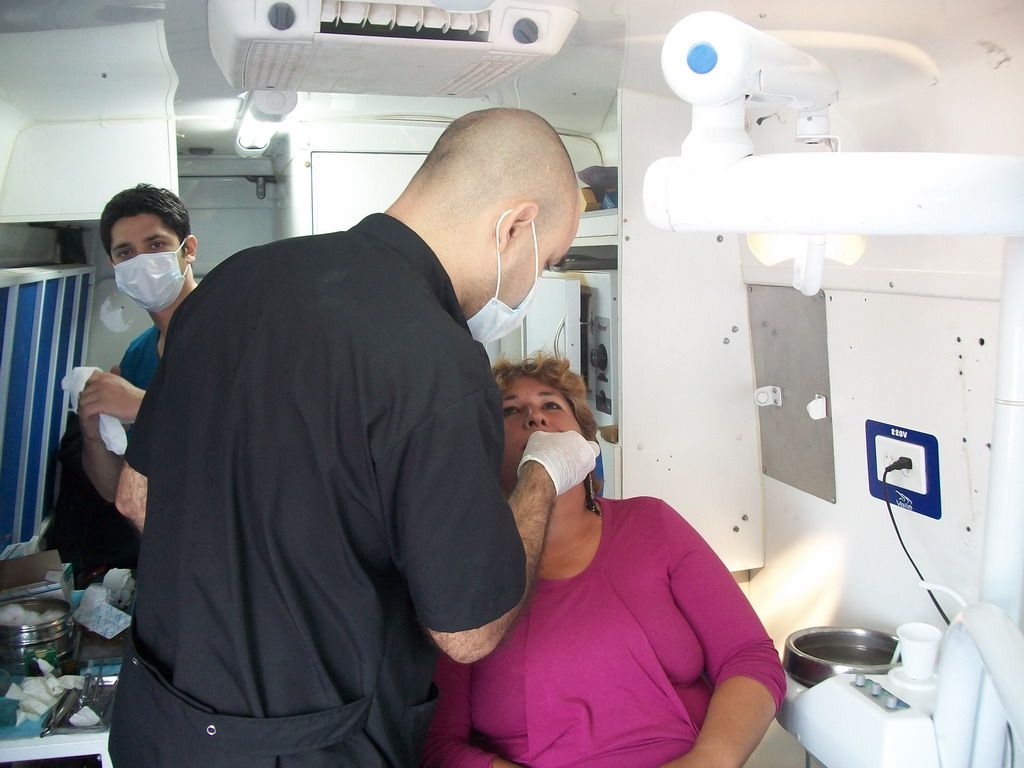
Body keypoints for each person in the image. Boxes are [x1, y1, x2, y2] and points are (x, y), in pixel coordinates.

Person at [108, 108, 598, 767]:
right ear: (515, 227)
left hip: (160, 725)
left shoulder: (232, 282)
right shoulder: (439, 362)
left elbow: (137, 497)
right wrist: (541, 474)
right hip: (305, 747)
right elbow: (469, 632)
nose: (535, 281)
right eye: (549, 261)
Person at [421, 354, 786, 768]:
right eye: (511, 411)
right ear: (486, 450)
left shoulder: (652, 524)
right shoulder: (465, 572)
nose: (535, 418)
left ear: (585, 442)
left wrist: (710, 759)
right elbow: (440, 747)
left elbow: (749, 656)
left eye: (551, 405)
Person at [48, 184, 198, 575]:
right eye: (125, 253)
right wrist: (94, 434)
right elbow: (117, 488)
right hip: (171, 551)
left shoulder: (234, 333)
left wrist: (141, 406)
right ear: (114, 266)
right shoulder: (139, 354)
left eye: (155, 245)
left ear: (188, 249)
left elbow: (261, 436)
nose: (141, 262)